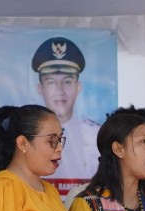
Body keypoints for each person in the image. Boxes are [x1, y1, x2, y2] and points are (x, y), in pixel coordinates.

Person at [32, 37, 99, 181]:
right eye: (51, 83)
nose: (60, 90)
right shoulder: (28, 138)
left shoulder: (97, 136)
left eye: (67, 82)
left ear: (78, 86)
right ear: (40, 88)